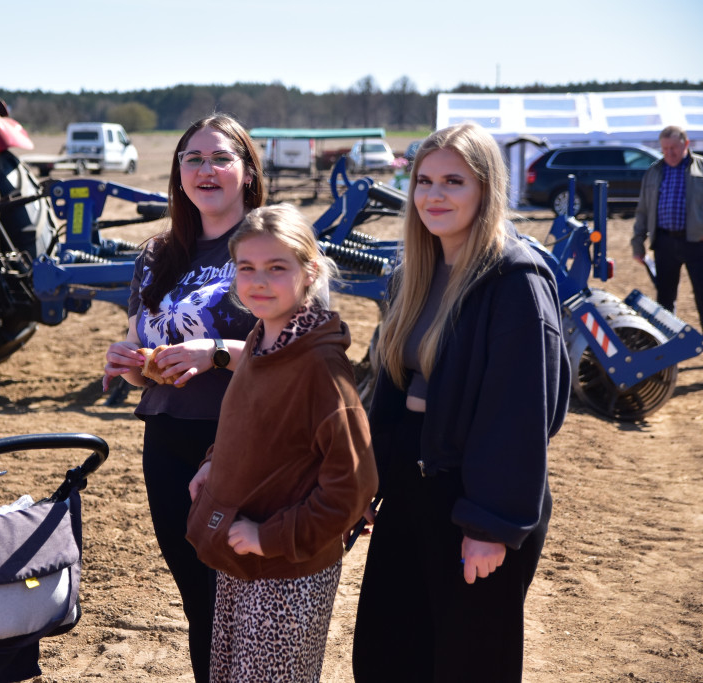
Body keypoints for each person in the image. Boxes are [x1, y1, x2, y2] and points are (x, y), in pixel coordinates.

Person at [351, 122, 570, 682]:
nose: (434, 195)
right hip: (411, 483)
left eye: (454, 181)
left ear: (486, 189)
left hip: (474, 494)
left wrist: (490, 524)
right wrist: (371, 479)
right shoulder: (414, 274)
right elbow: (390, 388)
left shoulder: (515, 281)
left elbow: (520, 417)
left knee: (470, 663)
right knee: (388, 654)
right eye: (424, 181)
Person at [101, 113, 266, 682]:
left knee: (243, 602)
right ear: (178, 172)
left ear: (248, 172)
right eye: (193, 159)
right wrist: (131, 364)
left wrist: (215, 352)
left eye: (220, 158)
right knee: (199, 601)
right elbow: (143, 358)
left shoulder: (268, 244)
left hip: (244, 441)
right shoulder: (156, 255)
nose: (205, 170)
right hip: (168, 441)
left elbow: (300, 354)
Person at [186, 203, 378, 682]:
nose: (258, 281)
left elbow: (353, 487)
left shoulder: (319, 367)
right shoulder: (263, 337)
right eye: (246, 268)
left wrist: (267, 538)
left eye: (276, 268)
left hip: (286, 574)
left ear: (309, 271)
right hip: (244, 562)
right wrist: (215, 463)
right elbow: (253, 423)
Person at [630, 125, 703, 324]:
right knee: (664, 299)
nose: (669, 153)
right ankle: (667, 340)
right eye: (665, 149)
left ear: (686, 144)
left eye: (674, 148)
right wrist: (638, 244)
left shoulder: (700, 168)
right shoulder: (654, 171)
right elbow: (643, 210)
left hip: (697, 243)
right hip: (665, 243)